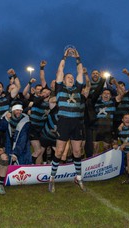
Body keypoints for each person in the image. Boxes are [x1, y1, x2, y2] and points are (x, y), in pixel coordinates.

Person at [48, 47, 86, 193]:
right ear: (63, 80)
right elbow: (60, 71)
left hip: (77, 123)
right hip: (64, 122)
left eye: (72, 77)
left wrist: (78, 58)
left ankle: (79, 178)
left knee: (77, 151)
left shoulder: (77, 89)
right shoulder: (59, 89)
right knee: (59, 152)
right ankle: (52, 178)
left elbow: (80, 72)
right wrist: (64, 56)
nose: (71, 78)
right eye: (68, 77)